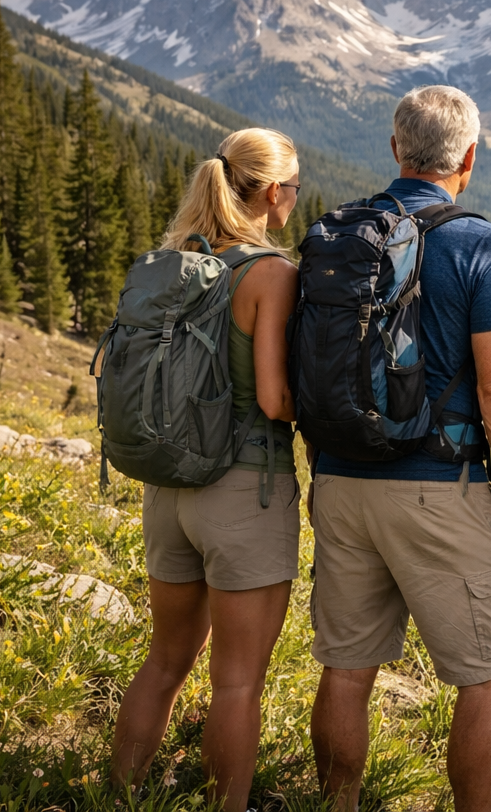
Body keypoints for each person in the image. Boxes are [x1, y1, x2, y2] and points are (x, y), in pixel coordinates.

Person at [306, 86, 491, 812]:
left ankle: (337, 805)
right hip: (439, 485)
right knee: (487, 676)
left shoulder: (334, 233)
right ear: (469, 158)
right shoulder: (479, 242)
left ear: (394, 149)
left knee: (347, 670)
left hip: (340, 480)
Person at [111, 128, 303, 810]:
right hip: (244, 493)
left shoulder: (172, 263)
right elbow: (277, 398)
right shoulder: (270, 274)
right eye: (295, 187)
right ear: (274, 193)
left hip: (168, 489)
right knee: (238, 681)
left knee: (164, 662)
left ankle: (118, 795)